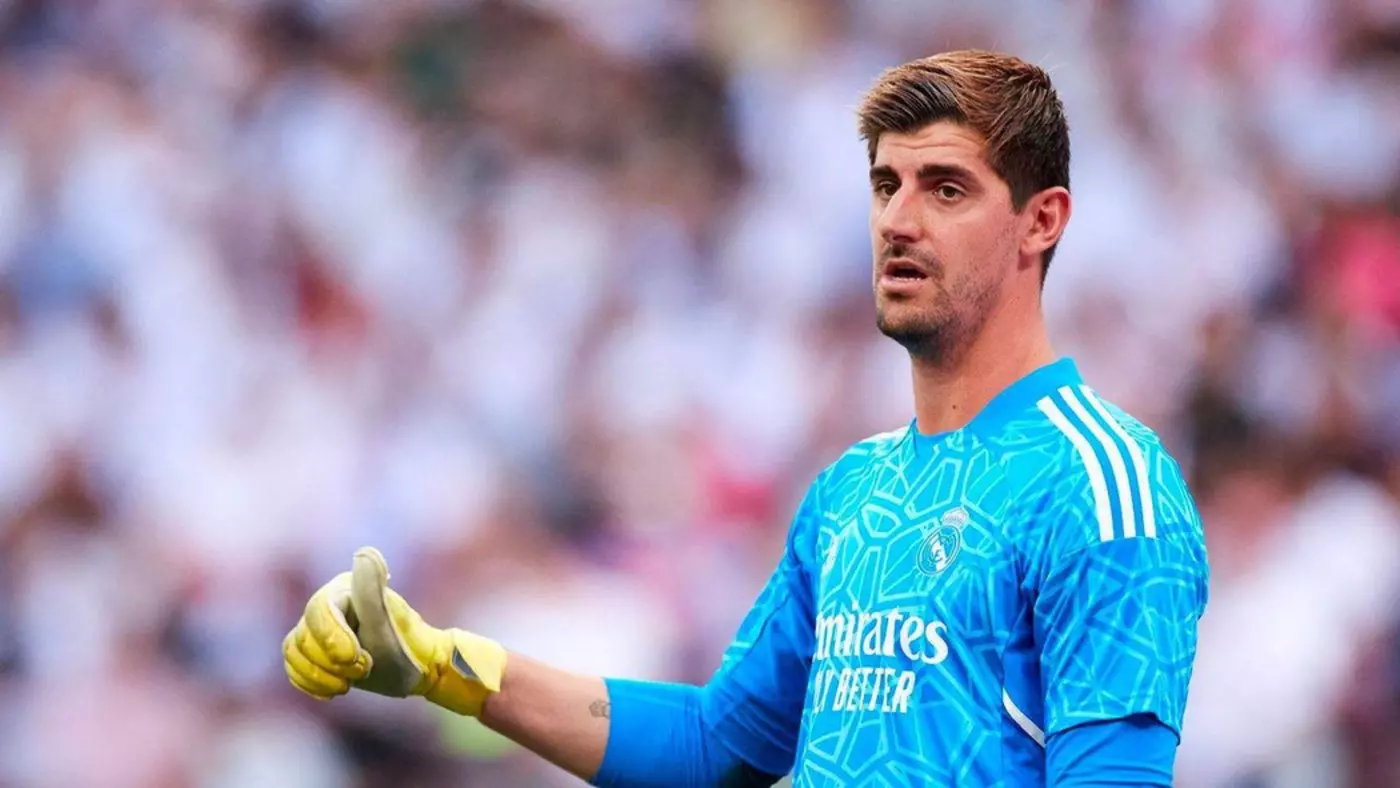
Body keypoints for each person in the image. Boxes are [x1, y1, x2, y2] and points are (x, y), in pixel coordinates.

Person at [283, 50, 1210, 787]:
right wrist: (453, 668)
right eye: (886, 185)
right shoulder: (856, 490)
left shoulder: (1100, 483)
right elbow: (715, 747)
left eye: (946, 188)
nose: (899, 219)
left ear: (1042, 221)